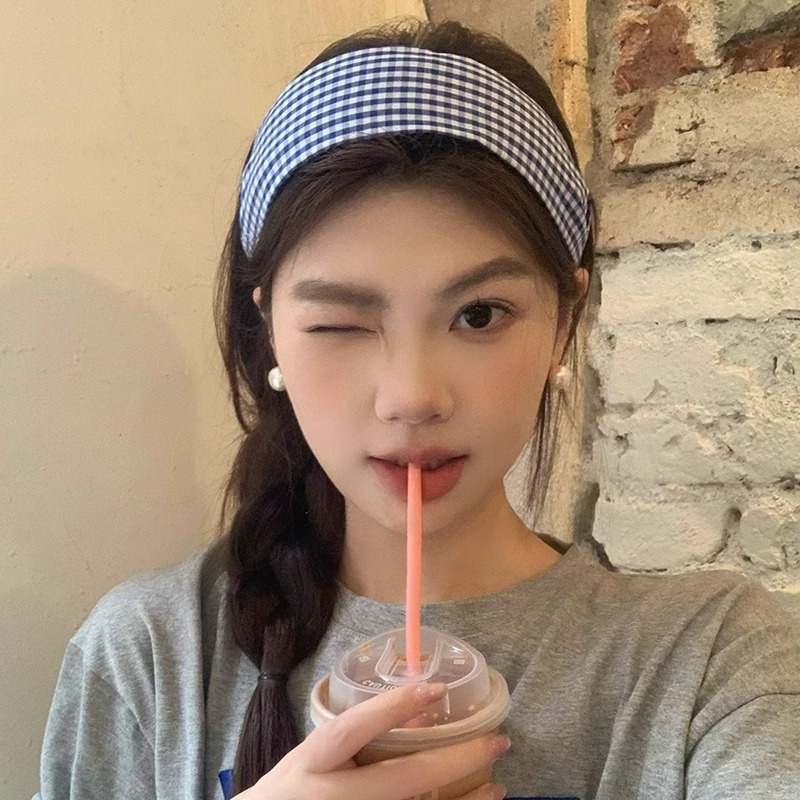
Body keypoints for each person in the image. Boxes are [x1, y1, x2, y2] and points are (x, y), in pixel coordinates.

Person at [35, 18, 800, 800]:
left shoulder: (707, 662)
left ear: (563, 322)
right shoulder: (149, 654)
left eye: (479, 314)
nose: (411, 397)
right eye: (339, 323)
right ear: (270, 333)